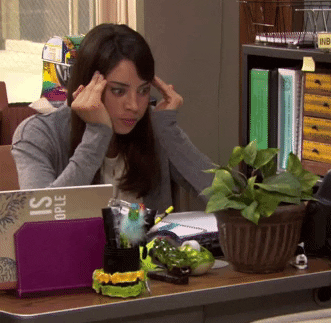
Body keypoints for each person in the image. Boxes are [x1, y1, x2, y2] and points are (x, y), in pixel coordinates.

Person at [11, 23, 215, 211]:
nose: (134, 106)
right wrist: (97, 133)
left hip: (149, 242)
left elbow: (229, 199)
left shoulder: (155, 127)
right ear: (87, 86)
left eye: (143, 90)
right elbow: (42, 220)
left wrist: (169, 132)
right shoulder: (38, 134)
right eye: (118, 91)